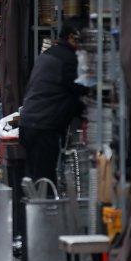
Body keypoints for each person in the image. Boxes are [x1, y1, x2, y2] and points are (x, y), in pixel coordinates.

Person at [18, 20, 89, 186]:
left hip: (30, 123)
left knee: (36, 179)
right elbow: (81, 90)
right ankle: (44, 211)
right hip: (43, 126)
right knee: (45, 181)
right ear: (72, 38)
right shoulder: (68, 60)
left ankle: (35, 210)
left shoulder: (51, 53)